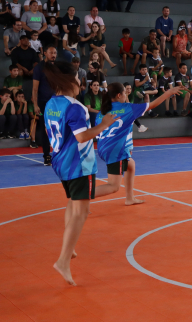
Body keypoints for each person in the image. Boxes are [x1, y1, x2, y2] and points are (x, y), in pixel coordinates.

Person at [43, 61, 120, 286]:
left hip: (60, 161)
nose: (80, 82)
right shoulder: (75, 106)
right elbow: (81, 137)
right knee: (82, 212)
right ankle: (63, 261)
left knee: (73, 203)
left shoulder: (50, 103)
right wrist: (104, 124)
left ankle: (70, 247)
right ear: (69, 80)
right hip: (78, 164)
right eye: (78, 78)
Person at [97, 81, 180, 204]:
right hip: (115, 151)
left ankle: (129, 198)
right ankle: (80, 197)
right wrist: (169, 92)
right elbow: (153, 104)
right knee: (113, 186)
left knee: (130, 165)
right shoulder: (128, 108)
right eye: (124, 93)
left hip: (102, 148)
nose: (126, 95)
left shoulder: (102, 112)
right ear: (119, 95)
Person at [31, 45, 57, 164]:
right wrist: (35, 105)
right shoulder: (39, 68)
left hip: (56, 102)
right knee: (45, 128)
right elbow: (35, 88)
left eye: (55, 53)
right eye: (51, 53)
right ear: (45, 53)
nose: (53, 55)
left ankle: (60, 153)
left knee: (58, 127)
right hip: (43, 102)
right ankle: (47, 155)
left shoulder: (56, 67)